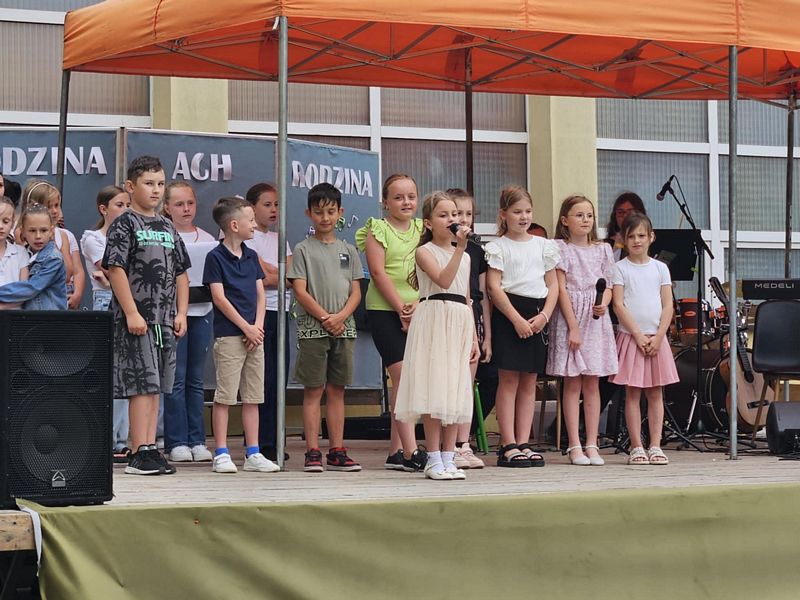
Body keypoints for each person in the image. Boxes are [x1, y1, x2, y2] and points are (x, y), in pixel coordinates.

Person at [102, 155, 190, 476]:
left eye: (160, 184)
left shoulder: (167, 226)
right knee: (141, 384)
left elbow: (181, 272)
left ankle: (151, 446)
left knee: (156, 385)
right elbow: (115, 268)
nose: (155, 190)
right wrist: (131, 312)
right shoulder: (125, 223)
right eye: (148, 183)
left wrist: (181, 312)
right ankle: (139, 451)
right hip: (137, 319)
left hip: (164, 319)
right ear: (130, 186)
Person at [394, 192, 479, 480]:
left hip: (458, 319)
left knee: (454, 387)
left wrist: (474, 338)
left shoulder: (466, 257)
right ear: (428, 223)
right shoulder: (425, 252)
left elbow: (466, 297)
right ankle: (432, 457)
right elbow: (443, 280)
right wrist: (460, 248)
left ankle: (449, 456)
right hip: (434, 318)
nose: (452, 220)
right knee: (434, 386)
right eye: (443, 215)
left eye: (455, 214)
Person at [288, 183, 364, 473]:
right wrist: (325, 317)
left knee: (337, 390)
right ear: (309, 213)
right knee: (313, 390)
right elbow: (300, 289)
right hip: (314, 329)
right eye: (319, 212)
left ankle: (337, 450)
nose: (325, 217)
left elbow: (356, 291)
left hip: (344, 328)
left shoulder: (349, 250)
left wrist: (341, 316)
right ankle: (312, 450)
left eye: (331, 211)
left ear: (340, 212)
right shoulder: (303, 249)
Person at [355, 173, 426, 472]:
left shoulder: (423, 228)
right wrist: (400, 309)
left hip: (420, 308)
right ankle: (411, 451)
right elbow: (378, 272)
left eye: (411, 196)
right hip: (385, 310)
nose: (406, 202)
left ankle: (396, 450)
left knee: (408, 380)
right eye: (398, 197)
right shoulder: (378, 228)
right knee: (403, 376)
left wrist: (418, 304)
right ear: (385, 202)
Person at [203, 197, 279, 474]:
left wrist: (257, 326)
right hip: (230, 335)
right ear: (234, 225)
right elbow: (219, 298)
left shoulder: (250, 255)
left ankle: (253, 452)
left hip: (254, 335)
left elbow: (260, 292)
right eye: (250, 220)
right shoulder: (215, 257)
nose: (254, 225)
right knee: (225, 395)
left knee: (253, 396)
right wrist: (245, 327)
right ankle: (221, 452)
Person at [485, 186, 559, 468]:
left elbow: (553, 285)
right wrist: (515, 319)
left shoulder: (543, 246)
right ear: (504, 214)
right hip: (509, 313)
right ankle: (507, 443)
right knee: (508, 381)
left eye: (528, 211)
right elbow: (494, 286)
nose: (524, 217)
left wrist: (545, 316)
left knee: (530, 381)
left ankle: (524, 441)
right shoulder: (498, 247)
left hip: (537, 314)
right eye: (517, 212)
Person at [547, 195, 618, 466]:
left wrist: (605, 303)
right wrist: (573, 326)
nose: (585, 220)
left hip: (595, 318)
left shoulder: (603, 249)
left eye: (589, 215)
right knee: (573, 381)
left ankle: (592, 442)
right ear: (565, 220)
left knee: (592, 381)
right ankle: (574, 444)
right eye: (579, 215)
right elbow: (561, 288)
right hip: (571, 316)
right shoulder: (560, 248)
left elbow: (609, 284)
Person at [609, 212, 678, 466]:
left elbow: (668, 304)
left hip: (657, 339)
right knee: (632, 393)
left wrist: (659, 336)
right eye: (631, 236)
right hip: (631, 337)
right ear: (623, 240)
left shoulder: (660, 268)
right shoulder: (620, 268)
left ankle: (655, 445)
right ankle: (636, 446)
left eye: (641, 235)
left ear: (651, 237)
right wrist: (638, 335)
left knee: (656, 392)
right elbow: (618, 304)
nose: (637, 240)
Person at [159, 182, 215, 463]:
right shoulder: (162, 235)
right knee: (176, 377)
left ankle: (197, 439)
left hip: (202, 310)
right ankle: (176, 440)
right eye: (179, 204)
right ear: (167, 207)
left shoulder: (207, 238)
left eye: (190, 203)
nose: (186, 209)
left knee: (196, 378)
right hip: (172, 313)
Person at [81, 185, 131, 462]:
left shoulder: (131, 235)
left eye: (127, 205)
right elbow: (113, 269)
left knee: (126, 374)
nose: (125, 210)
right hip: (105, 304)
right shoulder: (93, 238)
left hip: (129, 302)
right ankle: (109, 438)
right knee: (111, 373)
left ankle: (121, 439)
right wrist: (112, 276)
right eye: (119, 205)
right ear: (104, 209)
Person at [244, 182, 291, 462]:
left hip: (281, 311)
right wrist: (275, 274)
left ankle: (275, 440)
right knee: (261, 378)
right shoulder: (248, 238)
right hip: (258, 313)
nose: (273, 210)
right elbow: (257, 276)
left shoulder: (279, 238)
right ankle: (258, 442)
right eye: (267, 204)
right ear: (252, 207)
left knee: (278, 377)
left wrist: (275, 274)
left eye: (276, 205)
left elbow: (290, 275)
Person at [448, 188, 487, 469]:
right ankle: (447, 444)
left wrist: (487, 336)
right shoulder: (438, 247)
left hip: (472, 315)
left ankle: (464, 443)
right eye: (457, 213)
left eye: (468, 214)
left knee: (466, 383)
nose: (463, 219)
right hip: (447, 312)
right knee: (448, 382)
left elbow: (482, 294)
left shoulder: (476, 251)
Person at [0, 203, 66, 310]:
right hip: (29, 317)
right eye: (32, 231)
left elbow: (32, 287)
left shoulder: (53, 258)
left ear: (51, 231)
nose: (38, 236)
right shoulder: (24, 253)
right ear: (23, 232)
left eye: (43, 230)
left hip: (48, 317)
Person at [18, 180, 74, 288]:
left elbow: (67, 273)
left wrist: (52, 241)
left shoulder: (62, 235)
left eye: (56, 205)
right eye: (48, 207)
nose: (55, 211)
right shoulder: (21, 234)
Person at [604, 192, 646, 262]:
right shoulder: (605, 245)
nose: (625, 216)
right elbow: (608, 267)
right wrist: (617, 246)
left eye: (630, 212)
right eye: (620, 212)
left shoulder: (649, 240)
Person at [0, 196, 28, 291]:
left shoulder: (20, 253)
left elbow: (23, 290)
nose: (0, 226)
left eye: (5, 221)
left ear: (12, 223)